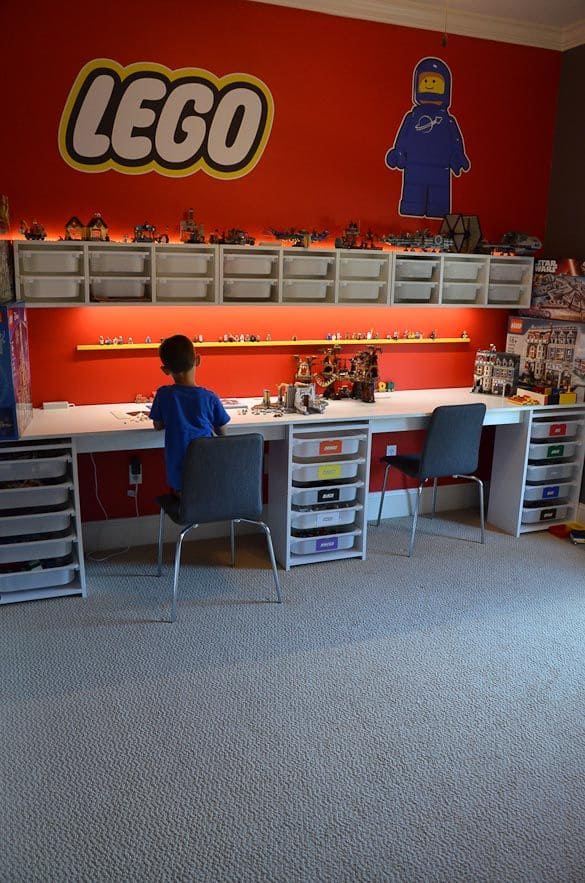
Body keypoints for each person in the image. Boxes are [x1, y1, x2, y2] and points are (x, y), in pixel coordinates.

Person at [150, 334, 230, 491]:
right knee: (202, 491)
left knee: (184, 493)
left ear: (165, 370)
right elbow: (222, 433)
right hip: (208, 479)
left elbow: (157, 425)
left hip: (180, 486)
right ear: (198, 360)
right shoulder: (210, 397)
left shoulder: (163, 395)